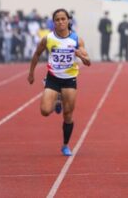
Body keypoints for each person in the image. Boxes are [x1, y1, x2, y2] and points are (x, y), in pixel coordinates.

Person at [27, 8, 91, 156]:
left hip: (69, 80)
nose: (61, 22)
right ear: (53, 22)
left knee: (68, 114)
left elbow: (88, 62)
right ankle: (57, 99)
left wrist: (81, 55)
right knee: (44, 111)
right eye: (57, 19)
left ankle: (65, 145)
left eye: (63, 19)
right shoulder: (48, 39)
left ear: (68, 20)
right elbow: (37, 54)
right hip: (53, 79)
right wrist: (31, 73)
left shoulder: (76, 40)